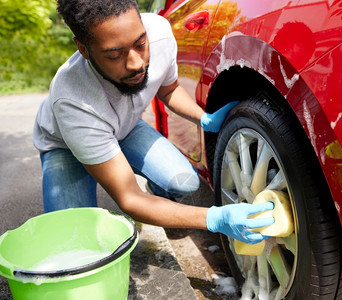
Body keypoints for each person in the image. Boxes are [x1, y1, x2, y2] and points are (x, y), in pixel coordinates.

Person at [32, 0, 274, 244]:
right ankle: (103, 171)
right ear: (83, 50)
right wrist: (213, 218)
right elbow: (130, 198)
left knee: (186, 183)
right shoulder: (73, 100)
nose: (136, 63)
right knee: (73, 239)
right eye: (115, 55)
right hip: (64, 146)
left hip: (124, 129)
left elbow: (168, 90)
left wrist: (203, 118)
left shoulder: (159, 32)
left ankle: (149, 189)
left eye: (140, 44)